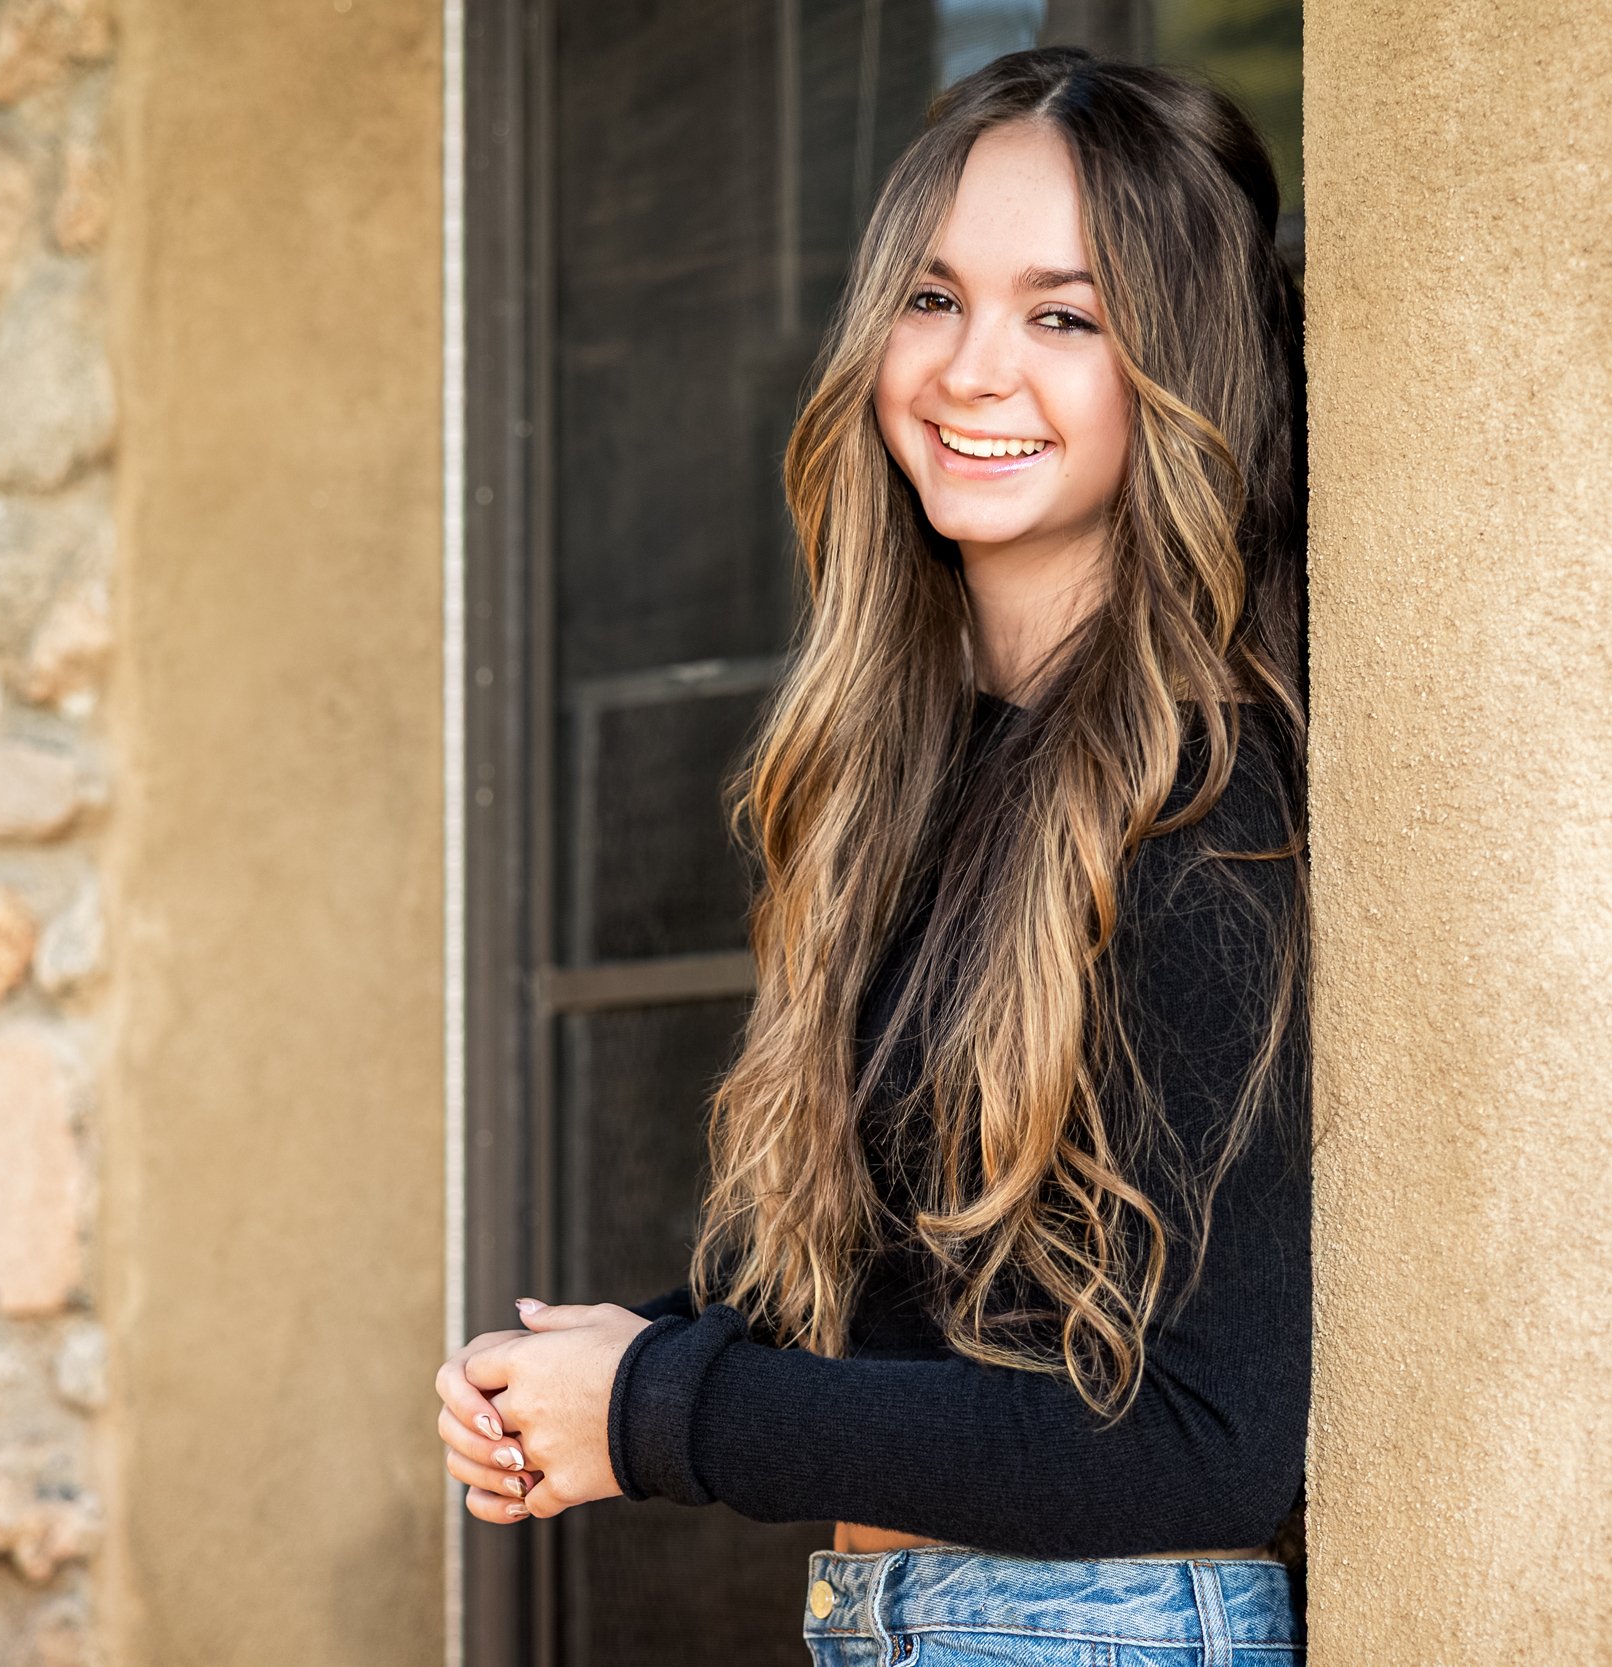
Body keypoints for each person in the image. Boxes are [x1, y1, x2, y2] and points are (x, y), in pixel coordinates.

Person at [435, 45, 1310, 1665]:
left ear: (1174, 365)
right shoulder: (936, 768)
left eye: (1066, 315)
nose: (974, 369)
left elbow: (1208, 1433)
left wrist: (660, 1413)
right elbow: (946, 1306)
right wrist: (642, 1350)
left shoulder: (1201, 802)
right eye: (933, 297)